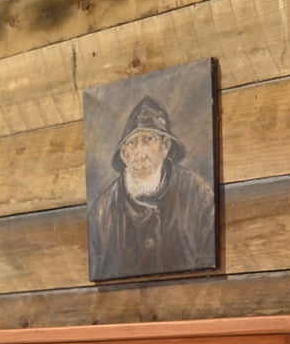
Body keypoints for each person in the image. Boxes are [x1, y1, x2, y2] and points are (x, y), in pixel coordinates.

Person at [87, 96, 215, 281]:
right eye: (132, 143)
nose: (139, 154)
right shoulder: (100, 215)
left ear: (165, 146)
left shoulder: (199, 196)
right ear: (124, 154)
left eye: (148, 139)